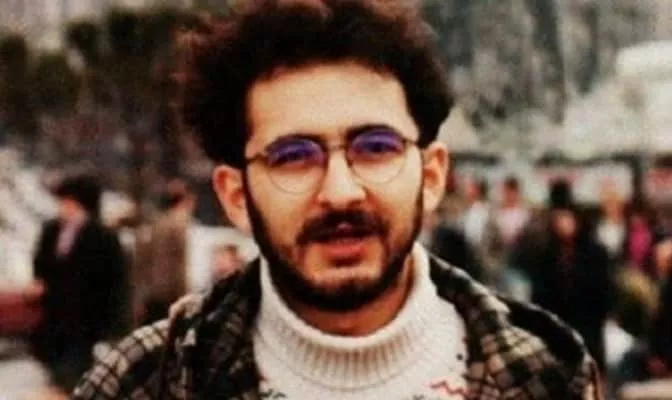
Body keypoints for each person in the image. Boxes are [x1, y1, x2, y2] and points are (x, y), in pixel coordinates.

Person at [73, 1, 600, 398]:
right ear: (236, 196)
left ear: (432, 174)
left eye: (376, 147)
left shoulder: (545, 376)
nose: (341, 192)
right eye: (293, 156)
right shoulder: (146, 382)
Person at [32, 174, 127, 392]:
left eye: (68, 201)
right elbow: (41, 264)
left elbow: (115, 283)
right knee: (54, 375)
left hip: (86, 321)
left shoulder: (103, 237)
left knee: (74, 378)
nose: (62, 207)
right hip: (54, 318)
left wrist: (113, 325)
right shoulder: (51, 230)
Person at [524, 180, 611, 373]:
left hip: (588, 327)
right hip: (557, 331)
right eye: (558, 218)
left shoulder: (594, 253)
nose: (563, 224)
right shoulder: (546, 254)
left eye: (567, 218)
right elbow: (539, 296)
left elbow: (603, 292)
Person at [134, 178, 196, 325]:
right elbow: (180, 264)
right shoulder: (179, 224)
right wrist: (185, 295)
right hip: (170, 294)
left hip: (154, 293)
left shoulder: (158, 223)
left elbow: (143, 260)